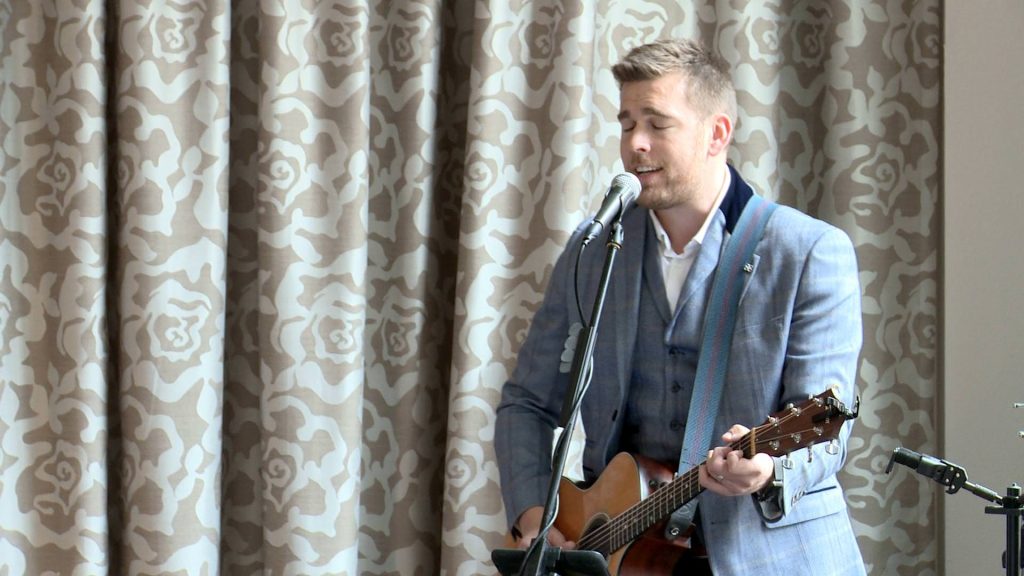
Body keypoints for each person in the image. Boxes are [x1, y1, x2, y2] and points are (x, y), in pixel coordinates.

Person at [494, 38, 866, 575]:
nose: (635, 144)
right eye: (626, 124)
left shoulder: (810, 251)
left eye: (657, 124)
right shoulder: (593, 251)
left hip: (773, 558)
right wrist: (534, 515)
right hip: (624, 557)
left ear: (717, 134)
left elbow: (825, 423)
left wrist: (768, 470)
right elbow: (527, 402)